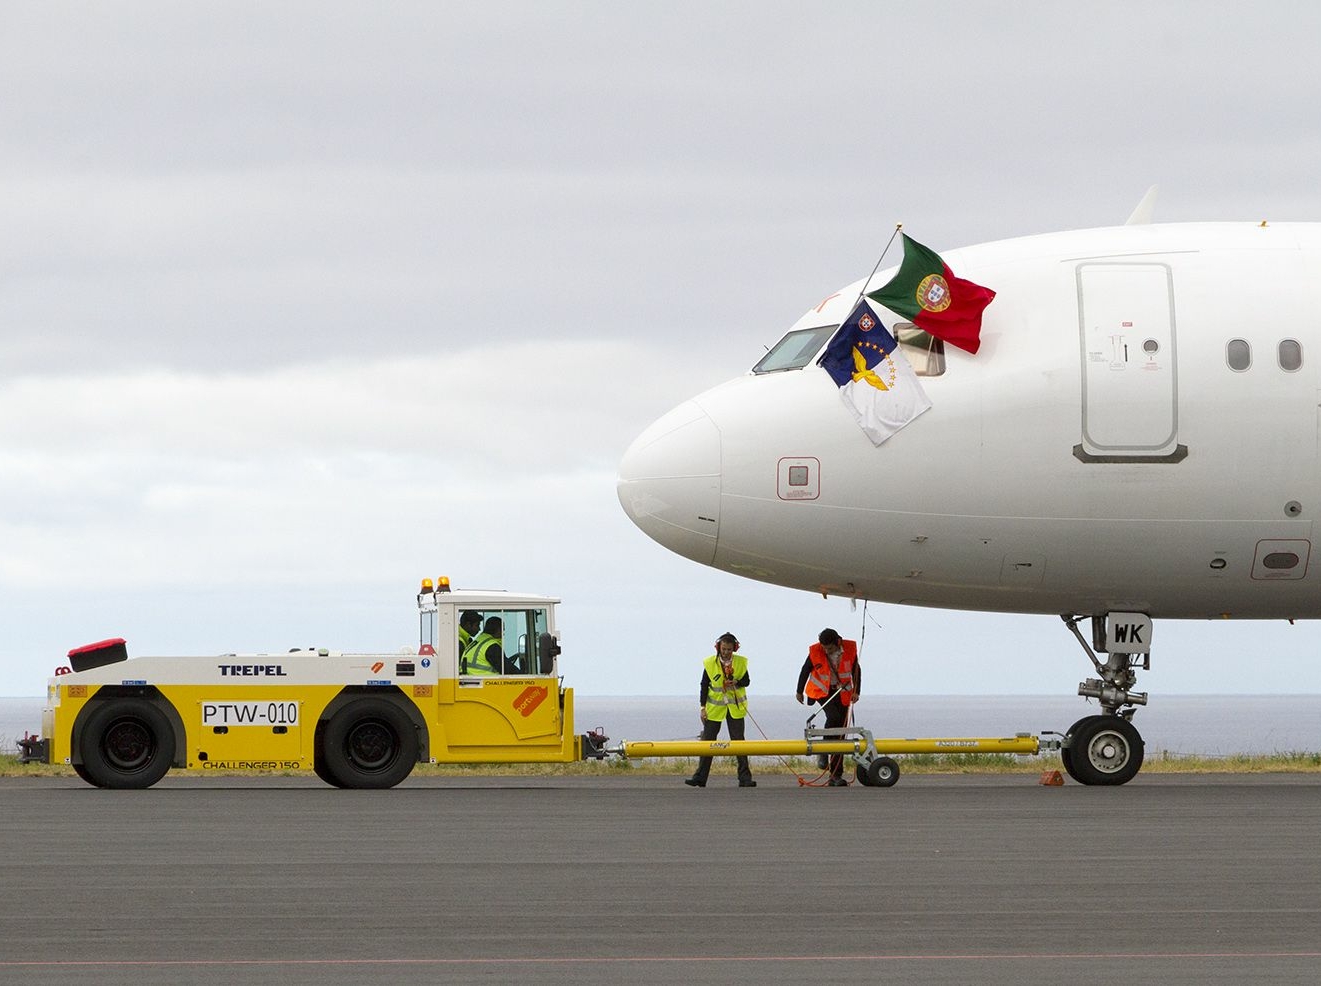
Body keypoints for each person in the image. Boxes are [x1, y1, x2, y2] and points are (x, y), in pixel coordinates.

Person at [685, 632, 756, 788]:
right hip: (715, 709)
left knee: (739, 742)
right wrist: (702, 708)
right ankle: (700, 777)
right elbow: (704, 685)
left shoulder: (740, 663)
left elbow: (747, 681)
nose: (726, 652)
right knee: (707, 742)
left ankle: (745, 778)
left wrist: (736, 682)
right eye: (723, 649)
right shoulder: (710, 663)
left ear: (734, 649)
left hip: (735, 708)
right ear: (718, 648)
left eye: (729, 649)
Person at [796, 628, 861, 787]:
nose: (826, 651)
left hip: (843, 692)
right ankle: (824, 751)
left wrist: (857, 691)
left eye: (829, 648)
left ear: (837, 643)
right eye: (824, 648)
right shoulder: (816, 651)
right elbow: (805, 669)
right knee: (833, 717)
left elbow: (856, 671)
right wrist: (799, 691)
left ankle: (835, 775)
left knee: (840, 733)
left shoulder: (849, 650)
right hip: (822, 691)